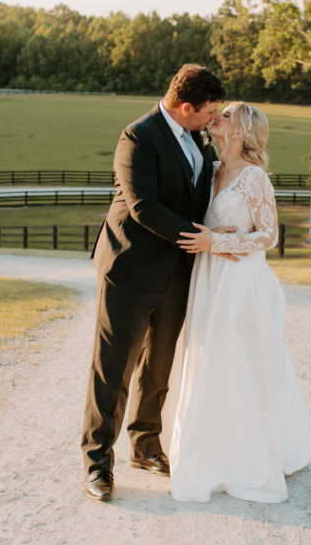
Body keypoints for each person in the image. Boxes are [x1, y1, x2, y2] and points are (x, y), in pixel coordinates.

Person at [81, 63, 231, 502]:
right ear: (186, 107)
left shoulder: (198, 140)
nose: (212, 120)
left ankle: (146, 446)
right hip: (129, 270)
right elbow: (143, 207)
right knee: (112, 371)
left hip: (177, 274)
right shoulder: (138, 137)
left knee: (158, 367)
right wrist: (202, 238)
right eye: (209, 112)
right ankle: (97, 463)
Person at [168, 102, 311, 503]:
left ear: (240, 130)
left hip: (239, 284)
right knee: (208, 362)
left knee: (239, 366)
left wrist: (219, 241)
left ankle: (243, 457)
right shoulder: (213, 171)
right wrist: (210, 239)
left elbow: (268, 236)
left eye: (227, 114)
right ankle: (207, 446)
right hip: (209, 278)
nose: (217, 116)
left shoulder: (254, 179)